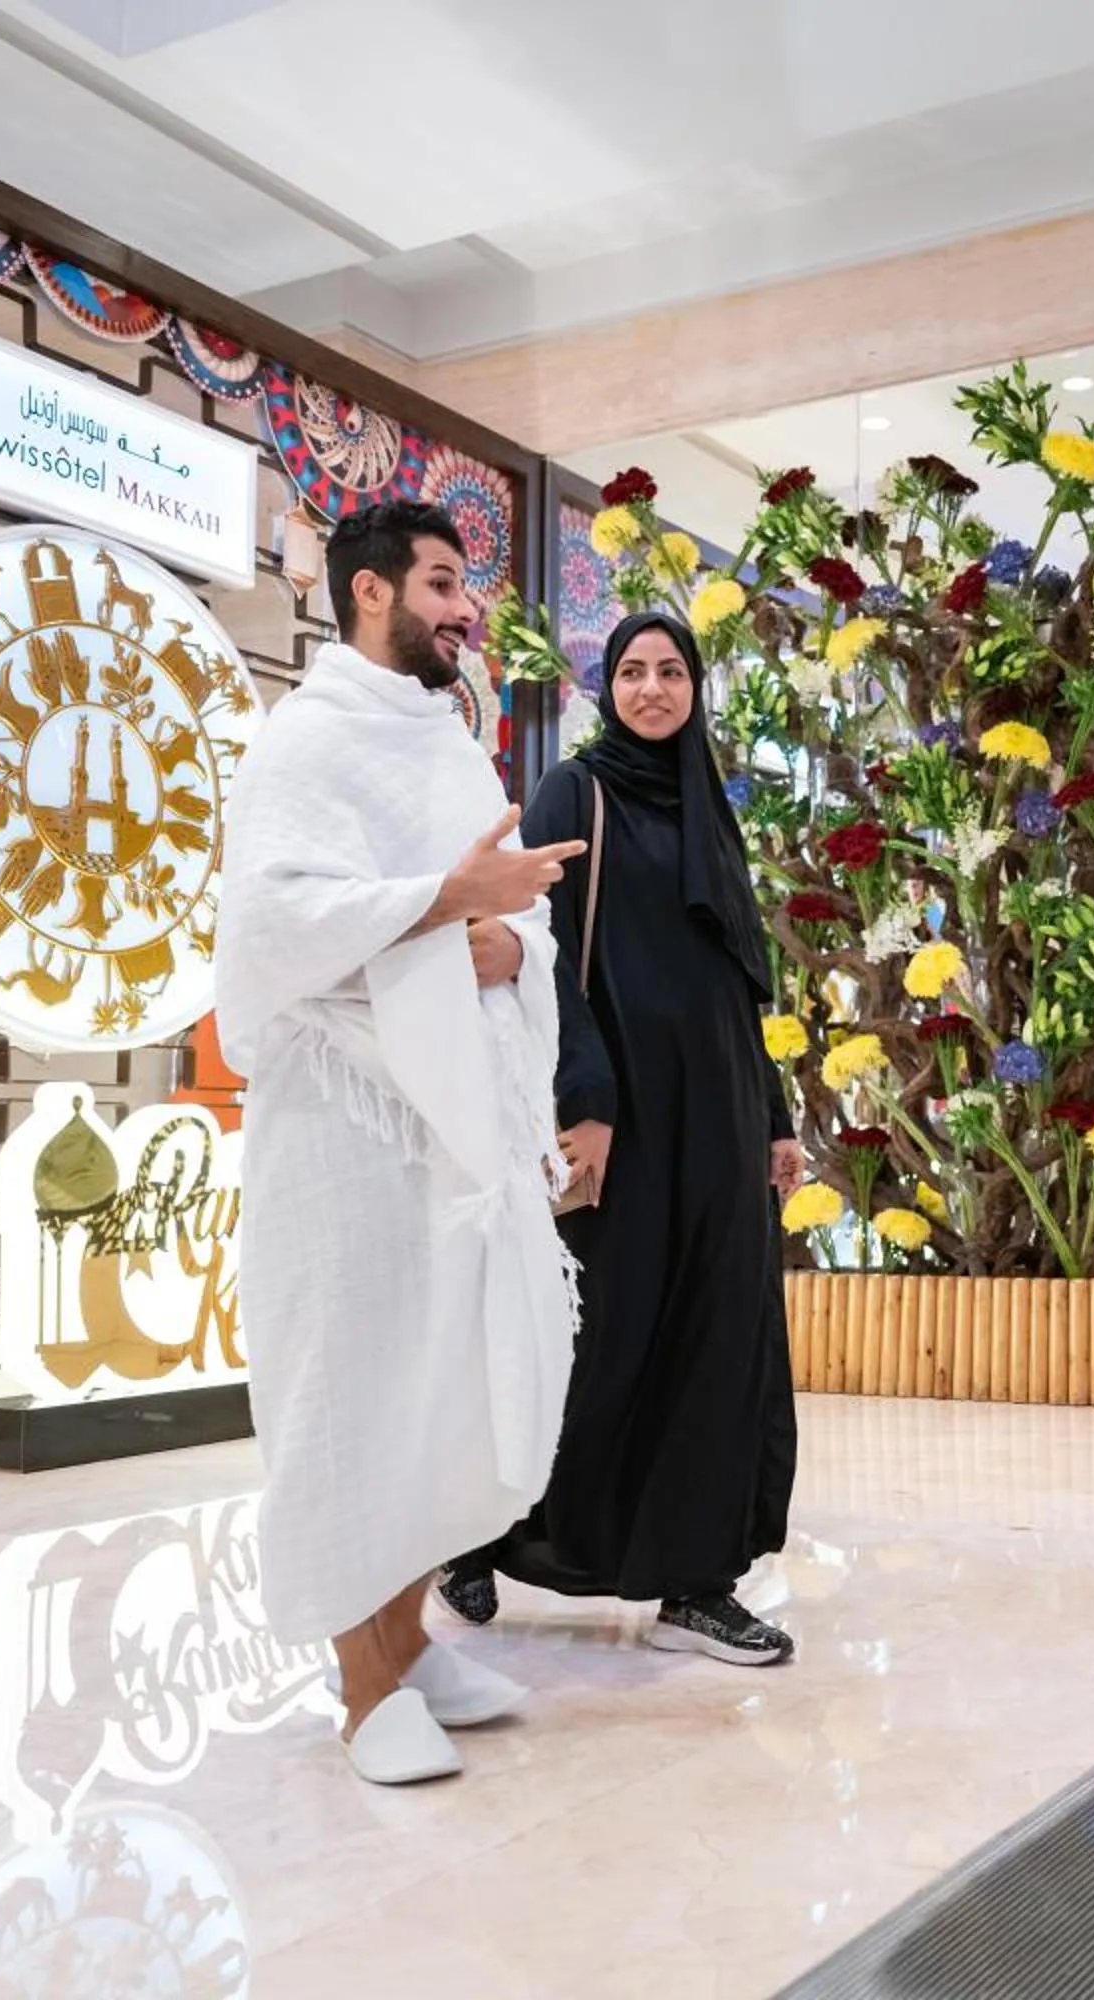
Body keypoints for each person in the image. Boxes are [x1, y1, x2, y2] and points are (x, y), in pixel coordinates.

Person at [215, 499, 588, 1784]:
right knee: (349, 1389)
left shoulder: (446, 746)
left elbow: (509, 917)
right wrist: (448, 912)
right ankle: (362, 1689)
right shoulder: (304, 746)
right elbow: (272, 929)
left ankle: (413, 1642)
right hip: (342, 1122)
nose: (461, 607)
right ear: (370, 592)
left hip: (454, 1122)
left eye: (462, 585)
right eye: (439, 582)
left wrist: (494, 938)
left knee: (444, 1379)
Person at [442, 611, 801, 1666]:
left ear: (696, 687)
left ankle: (697, 1578)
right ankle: (481, 1530)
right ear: (609, 687)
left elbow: (741, 978)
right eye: (634, 671)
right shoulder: (577, 790)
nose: (654, 688)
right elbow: (550, 955)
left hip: (721, 1110)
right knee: (597, 1341)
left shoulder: (710, 807)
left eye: (672, 670)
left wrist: (772, 1116)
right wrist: (581, 1097)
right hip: (624, 1109)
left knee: (718, 1332)